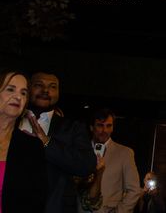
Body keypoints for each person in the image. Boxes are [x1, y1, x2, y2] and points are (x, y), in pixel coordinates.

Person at [19, 70, 96, 213]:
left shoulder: (72, 128)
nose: (46, 90)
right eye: (39, 85)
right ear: (28, 89)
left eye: (52, 87)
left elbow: (87, 165)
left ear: (58, 92)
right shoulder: (12, 121)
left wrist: (46, 142)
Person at [0, 69, 47, 212]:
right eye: (10, 89)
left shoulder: (31, 147)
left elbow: (36, 202)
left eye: (23, 93)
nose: (18, 97)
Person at [84, 108, 141, 213]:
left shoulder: (125, 153)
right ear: (91, 127)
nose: (104, 130)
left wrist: (119, 211)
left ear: (113, 128)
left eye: (108, 126)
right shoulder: (80, 150)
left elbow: (134, 190)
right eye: (100, 125)